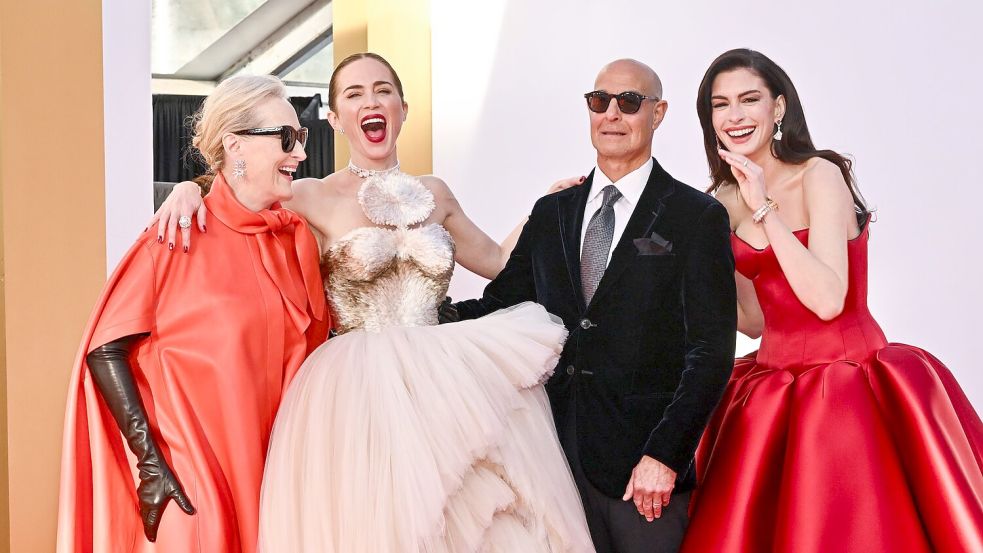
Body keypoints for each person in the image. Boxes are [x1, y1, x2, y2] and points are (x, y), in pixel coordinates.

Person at [153, 53, 595, 552]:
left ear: (403, 109)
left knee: (473, 517)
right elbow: (239, 193)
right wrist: (188, 190)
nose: (371, 101)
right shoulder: (307, 194)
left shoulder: (436, 192)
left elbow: (496, 259)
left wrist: (544, 207)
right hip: (358, 387)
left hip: (445, 379)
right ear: (335, 119)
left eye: (383, 90)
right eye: (354, 94)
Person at [680, 48, 983, 552]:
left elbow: (826, 299)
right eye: (720, 104)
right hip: (771, 388)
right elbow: (753, 321)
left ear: (778, 109)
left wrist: (766, 212)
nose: (734, 116)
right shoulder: (722, 201)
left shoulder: (819, 174)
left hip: (849, 385)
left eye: (749, 100)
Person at [445, 59, 737, 553]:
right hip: (552, 457)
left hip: (642, 472)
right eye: (599, 102)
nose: (612, 115)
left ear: (658, 113)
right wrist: (416, 319)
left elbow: (710, 351)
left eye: (629, 103)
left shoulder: (696, 216)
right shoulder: (552, 212)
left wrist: (665, 456)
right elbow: (501, 305)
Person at [57, 75, 329, 552]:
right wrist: (151, 463)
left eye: (301, 137)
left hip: (279, 480)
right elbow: (106, 348)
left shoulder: (296, 241)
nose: (301, 154)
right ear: (234, 145)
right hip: (195, 484)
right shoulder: (178, 235)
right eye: (286, 138)